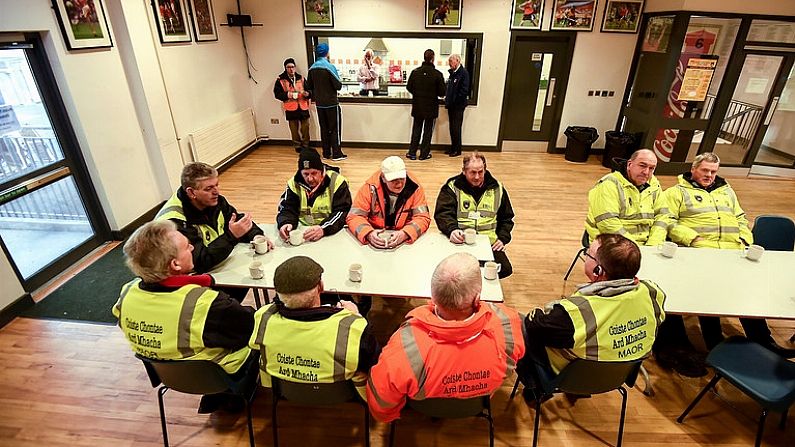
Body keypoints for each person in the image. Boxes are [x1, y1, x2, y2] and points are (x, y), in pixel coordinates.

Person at [112, 220, 259, 414]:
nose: (192, 247)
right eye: (186, 246)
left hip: (167, 374)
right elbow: (251, 327)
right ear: (175, 264)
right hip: (220, 376)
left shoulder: (126, 294)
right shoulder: (203, 304)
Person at [366, 253, 526, 423]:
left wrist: (391, 416)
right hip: (478, 402)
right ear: (477, 298)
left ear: (432, 298)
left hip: (423, 405)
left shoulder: (405, 345)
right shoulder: (509, 324)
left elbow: (380, 403)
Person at [665, 152, 795, 357]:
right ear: (693, 169)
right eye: (705, 170)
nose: (709, 175)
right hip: (701, 253)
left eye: (713, 171)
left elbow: (741, 217)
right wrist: (693, 239)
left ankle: (763, 341)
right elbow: (669, 221)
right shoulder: (676, 192)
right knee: (711, 293)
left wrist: (744, 239)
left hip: (732, 252)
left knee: (747, 292)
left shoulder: (727, 191)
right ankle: (714, 341)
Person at [519, 234, 665, 401]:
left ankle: (536, 387)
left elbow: (534, 325)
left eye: (588, 254)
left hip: (572, 377)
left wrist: (546, 310)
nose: (585, 256)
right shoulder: (652, 292)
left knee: (518, 323)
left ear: (599, 270)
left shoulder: (575, 314)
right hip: (619, 374)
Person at [248, 256, 381, 399]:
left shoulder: (262, 319)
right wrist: (356, 316)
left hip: (287, 392)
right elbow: (375, 364)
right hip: (344, 394)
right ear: (321, 286)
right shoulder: (355, 329)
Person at [154, 162, 270, 275]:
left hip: (216, 264)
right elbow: (198, 261)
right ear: (191, 192)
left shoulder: (214, 201)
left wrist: (256, 235)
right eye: (208, 188)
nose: (216, 192)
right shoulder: (174, 223)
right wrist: (231, 236)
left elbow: (236, 221)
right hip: (192, 278)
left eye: (216, 185)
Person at [434, 151, 515, 278]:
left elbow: (507, 218)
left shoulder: (498, 188)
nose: (477, 177)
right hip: (460, 241)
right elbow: (443, 214)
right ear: (464, 171)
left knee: (504, 269)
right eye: (473, 172)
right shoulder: (451, 187)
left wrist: (502, 238)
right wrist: (452, 230)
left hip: (490, 243)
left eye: (480, 172)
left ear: (485, 169)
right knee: (452, 273)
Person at [585, 149, 669, 246]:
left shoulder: (654, 185)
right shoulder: (609, 184)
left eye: (651, 168)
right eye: (642, 166)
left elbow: (662, 216)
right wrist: (635, 248)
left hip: (645, 245)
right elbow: (608, 224)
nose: (646, 172)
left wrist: (652, 245)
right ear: (629, 165)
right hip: (612, 243)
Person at [346, 155, 430, 249]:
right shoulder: (370, 188)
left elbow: (422, 217)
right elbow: (354, 216)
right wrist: (369, 233)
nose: (399, 183)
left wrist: (405, 233)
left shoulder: (415, 188)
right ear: (383, 177)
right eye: (393, 180)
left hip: (404, 245)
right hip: (374, 242)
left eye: (402, 178)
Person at [276, 148, 351, 243]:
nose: (310, 179)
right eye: (306, 174)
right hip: (302, 234)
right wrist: (286, 222)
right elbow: (287, 209)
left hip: (330, 232)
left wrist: (323, 228)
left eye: (314, 173)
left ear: (321, 170)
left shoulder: (337, 182)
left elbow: (342, 211)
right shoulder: (293, 184)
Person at [305, 42, 346, 161]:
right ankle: (337, 154)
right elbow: (338, 85)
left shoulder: (312, 68)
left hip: (320, 105)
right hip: (332, 104)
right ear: (327, 53)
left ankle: (326, 153)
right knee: (335, 129)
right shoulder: (329, 67)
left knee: (324, 128)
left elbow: (309, 86)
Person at [405, 49, 446, 161]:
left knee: (416, 129)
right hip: (431, 108)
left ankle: (412, 153)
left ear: (424, 58)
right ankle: (424, 154)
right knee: (428, 131)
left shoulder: (415, 72)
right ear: (433, 59)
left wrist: (417, 94)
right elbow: (442, 92)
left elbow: (409, 87)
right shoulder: (437, 74)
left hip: (418, 106)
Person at [273, 58, 311, 153]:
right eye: (288, 67)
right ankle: (297, 145)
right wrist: (286, 95)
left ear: (295, 67)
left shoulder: (301, 78)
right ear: (285, 68)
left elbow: (310, 90)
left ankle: (306, 144)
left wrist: (308, 94)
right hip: (291, 107)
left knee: (305, 127)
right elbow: (277, 94)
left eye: (292, 67)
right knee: (294, 129)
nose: (291, 69)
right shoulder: (280, 80)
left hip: (303, 106)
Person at [444, 54, 469, 157]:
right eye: (449, 61)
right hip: (451, 105)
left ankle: (457, 150)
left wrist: (454, 100)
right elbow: (450, 89)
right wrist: (447, 97)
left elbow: (463, 91)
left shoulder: (463, 73)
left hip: (458, 106)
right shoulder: (453, 73)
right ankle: (453, 147)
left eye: (451, 61)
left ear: (457, 61)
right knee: (452, 128)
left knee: (456, 128)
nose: (449, 63)